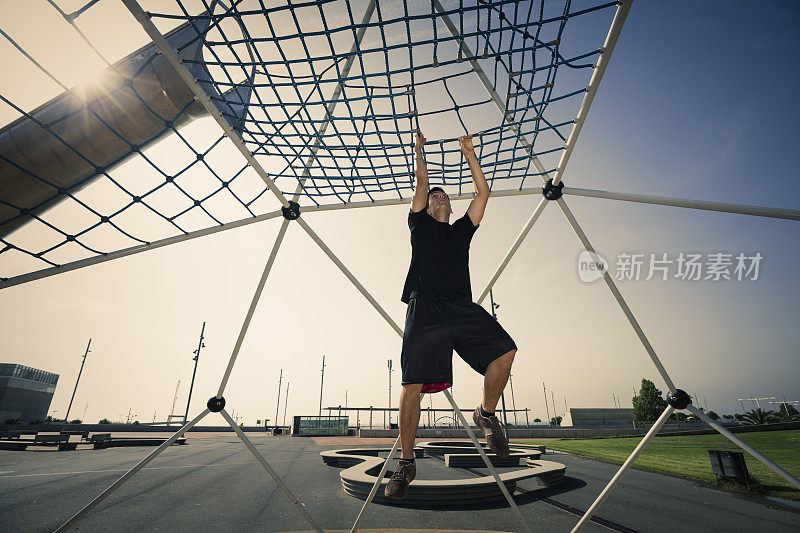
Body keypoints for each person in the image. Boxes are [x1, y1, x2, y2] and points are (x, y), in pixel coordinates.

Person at [385, 131, 518, 499]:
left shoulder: (461, 231)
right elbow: (422, 183)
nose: (440, 197)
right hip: (424, 306)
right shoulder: (420, 225)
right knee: (412, 387)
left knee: (505, 351)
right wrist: (419, 151)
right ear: (426, 208)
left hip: (459, 307)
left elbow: (482, 194)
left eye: (444, 196)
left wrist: (469, 154)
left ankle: (486, 416)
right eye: (434, 197)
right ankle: (406, 463)